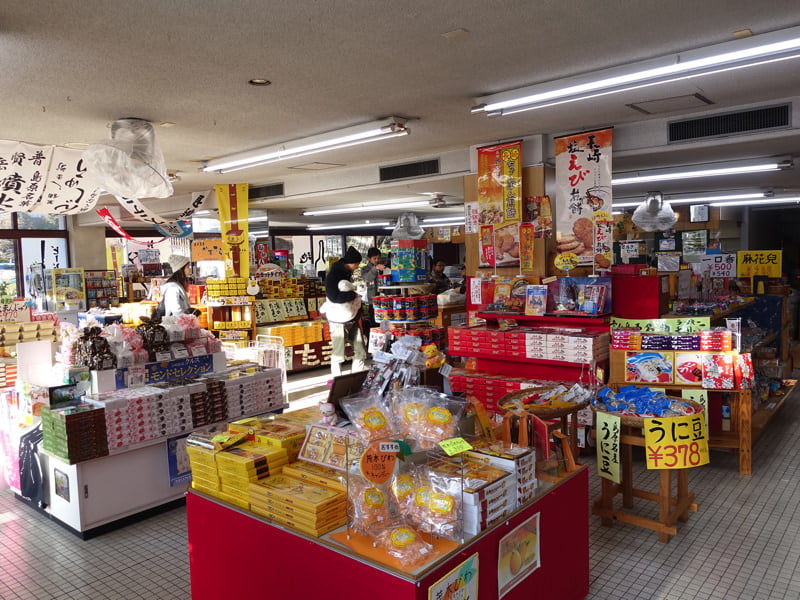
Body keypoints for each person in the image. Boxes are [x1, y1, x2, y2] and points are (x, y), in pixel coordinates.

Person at [323, 246, 367, 376]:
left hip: (352, 318)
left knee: (360, 351)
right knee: (338, 353)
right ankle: (336, 380)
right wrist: (353, 295)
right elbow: (333, 297)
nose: (357, 267)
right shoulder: (334, 274)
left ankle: (357, 377)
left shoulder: (347, 273)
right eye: (357, 265)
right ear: (352, 263)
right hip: (338, 320)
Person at [360, 247, 385, 328]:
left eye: (378, 258)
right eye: (375, 258)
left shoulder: (383, 268)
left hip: (385, 300)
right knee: (375, 325)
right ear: (369, 258)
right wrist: (375, 269)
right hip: (373, 302)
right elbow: (367, 278)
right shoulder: (365, 269)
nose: (377, 260)